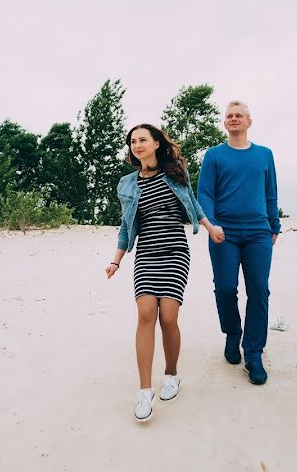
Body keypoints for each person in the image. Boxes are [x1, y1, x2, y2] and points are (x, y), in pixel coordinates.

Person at [105, 123, 219, 422]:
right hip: (146, 255)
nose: (137, 145)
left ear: (156, 143)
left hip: (175, 253)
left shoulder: (175, 172)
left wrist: (209, 226)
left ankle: (171, 374)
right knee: (145, 315)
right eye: (132, 141)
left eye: (143, 139)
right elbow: (125, 226)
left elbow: (192, 203)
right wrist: (116, 260)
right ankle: (144, 390)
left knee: (168, 317)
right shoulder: (128, 184)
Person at [198, 100, 280, 385]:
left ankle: (254, 352)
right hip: (224, 232)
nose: (234, 119)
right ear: (225, 123)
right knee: (225, 288)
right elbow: (205, 194)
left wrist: (274, 226)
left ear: (249, 122)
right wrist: (211, 224)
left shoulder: (264, 155)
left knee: (258, 290)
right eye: (229, 116)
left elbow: (271, 194)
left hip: (258, 231)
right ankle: (233, 334)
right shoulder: (214, 156)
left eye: (239, 115)